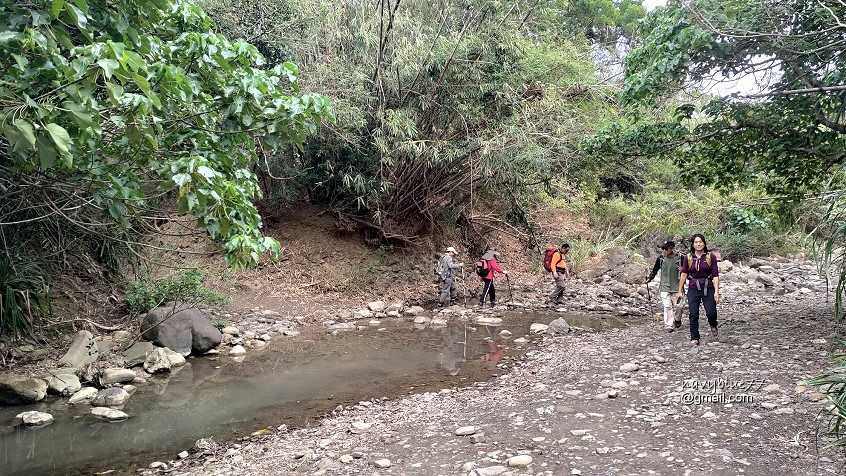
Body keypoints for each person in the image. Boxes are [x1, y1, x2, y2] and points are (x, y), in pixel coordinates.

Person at [675, 234, 720, 347]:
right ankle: (695, 338)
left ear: (704, 243)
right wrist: (679, 291)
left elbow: (715, 275)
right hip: (693, 287)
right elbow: (684, 274)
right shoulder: (688, 257)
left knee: (711, 313)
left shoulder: (710, 257)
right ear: (693, 244)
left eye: (700, 242)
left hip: (708, 287)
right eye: (696, 242)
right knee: (693, 313)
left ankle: (713, 324)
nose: (698, 244)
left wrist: (716, 291)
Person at [644, 240, 683, 333]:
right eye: (662, 248)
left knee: (679, 306)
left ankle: (677, 319)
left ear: (672, 249)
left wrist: (683, 270)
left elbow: (688, 271)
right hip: (664, 286)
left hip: (677, 287)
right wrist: (649, 278)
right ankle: (668, 325)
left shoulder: (681, 258)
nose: (663, 250)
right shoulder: (661, 259)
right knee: (667, 306)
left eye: (666, 248)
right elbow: (655, 270)